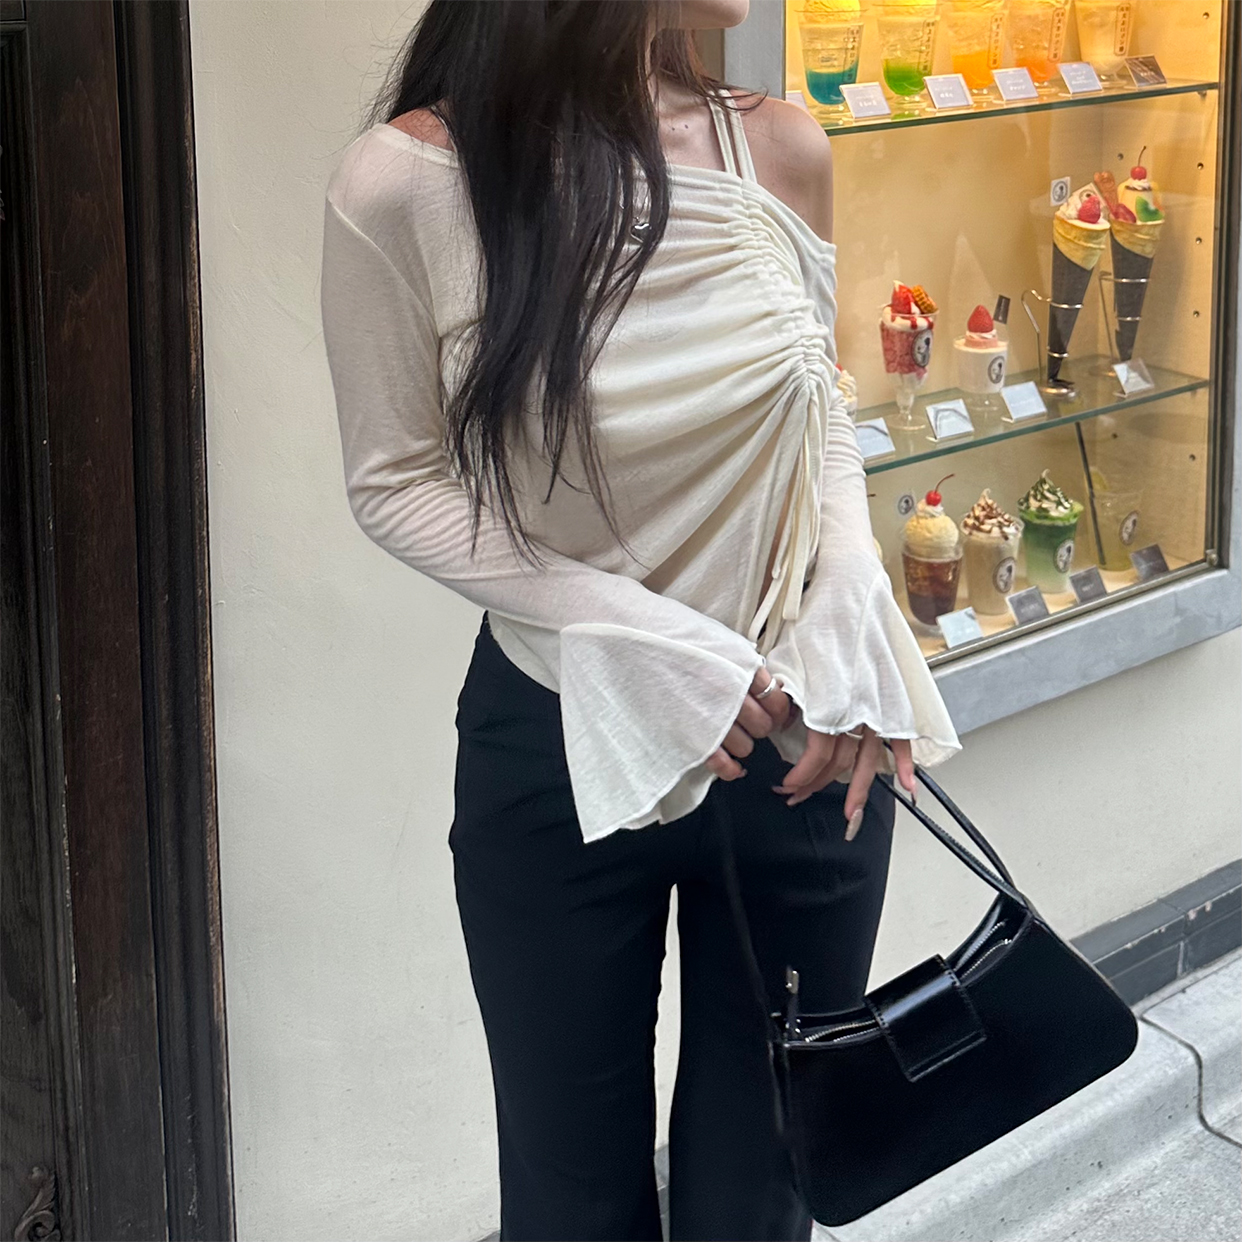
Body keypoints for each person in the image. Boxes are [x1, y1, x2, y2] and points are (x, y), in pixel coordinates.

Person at [320, 2, 960, 1238]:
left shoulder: (779, 145)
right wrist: (643, 634)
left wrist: (848, 593)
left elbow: (817, 395)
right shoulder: (407, 186)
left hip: (797, 740)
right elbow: (394, 481)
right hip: (562, 745)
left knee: (764, 1190)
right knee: (570, 1203)